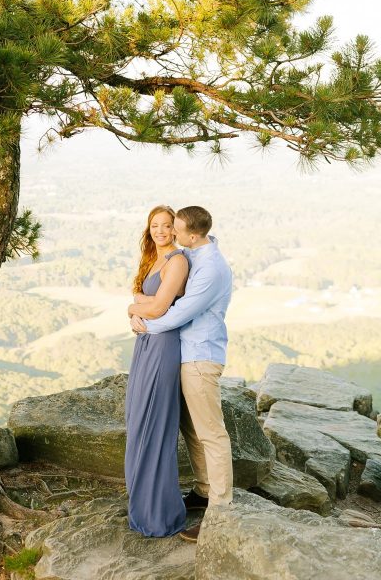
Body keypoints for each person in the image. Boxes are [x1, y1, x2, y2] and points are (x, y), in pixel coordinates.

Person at [130, 205, 233, 544]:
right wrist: (140, 310)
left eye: (174, 228)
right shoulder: (196, 254)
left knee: (211, 435)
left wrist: (139, 319)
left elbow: (176, 312)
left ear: (191, 234)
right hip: (184, 356)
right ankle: (204, 491)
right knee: (190, 430)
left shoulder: (210, 269)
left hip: (200, 358)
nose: (169, 233)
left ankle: (219, 513)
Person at [124, 204, 189, 537]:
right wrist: (138, 308)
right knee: (138, 419)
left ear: (176, 229)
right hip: (146, 342)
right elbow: (143, 296)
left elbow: (160, 306)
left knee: (155, 423)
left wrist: (133, 308)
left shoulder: (177, 261)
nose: (161, 231)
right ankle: (142, 504)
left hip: (164, 345)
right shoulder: (152, 257)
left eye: (167, 226)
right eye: (155, 226)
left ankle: (160, 513)